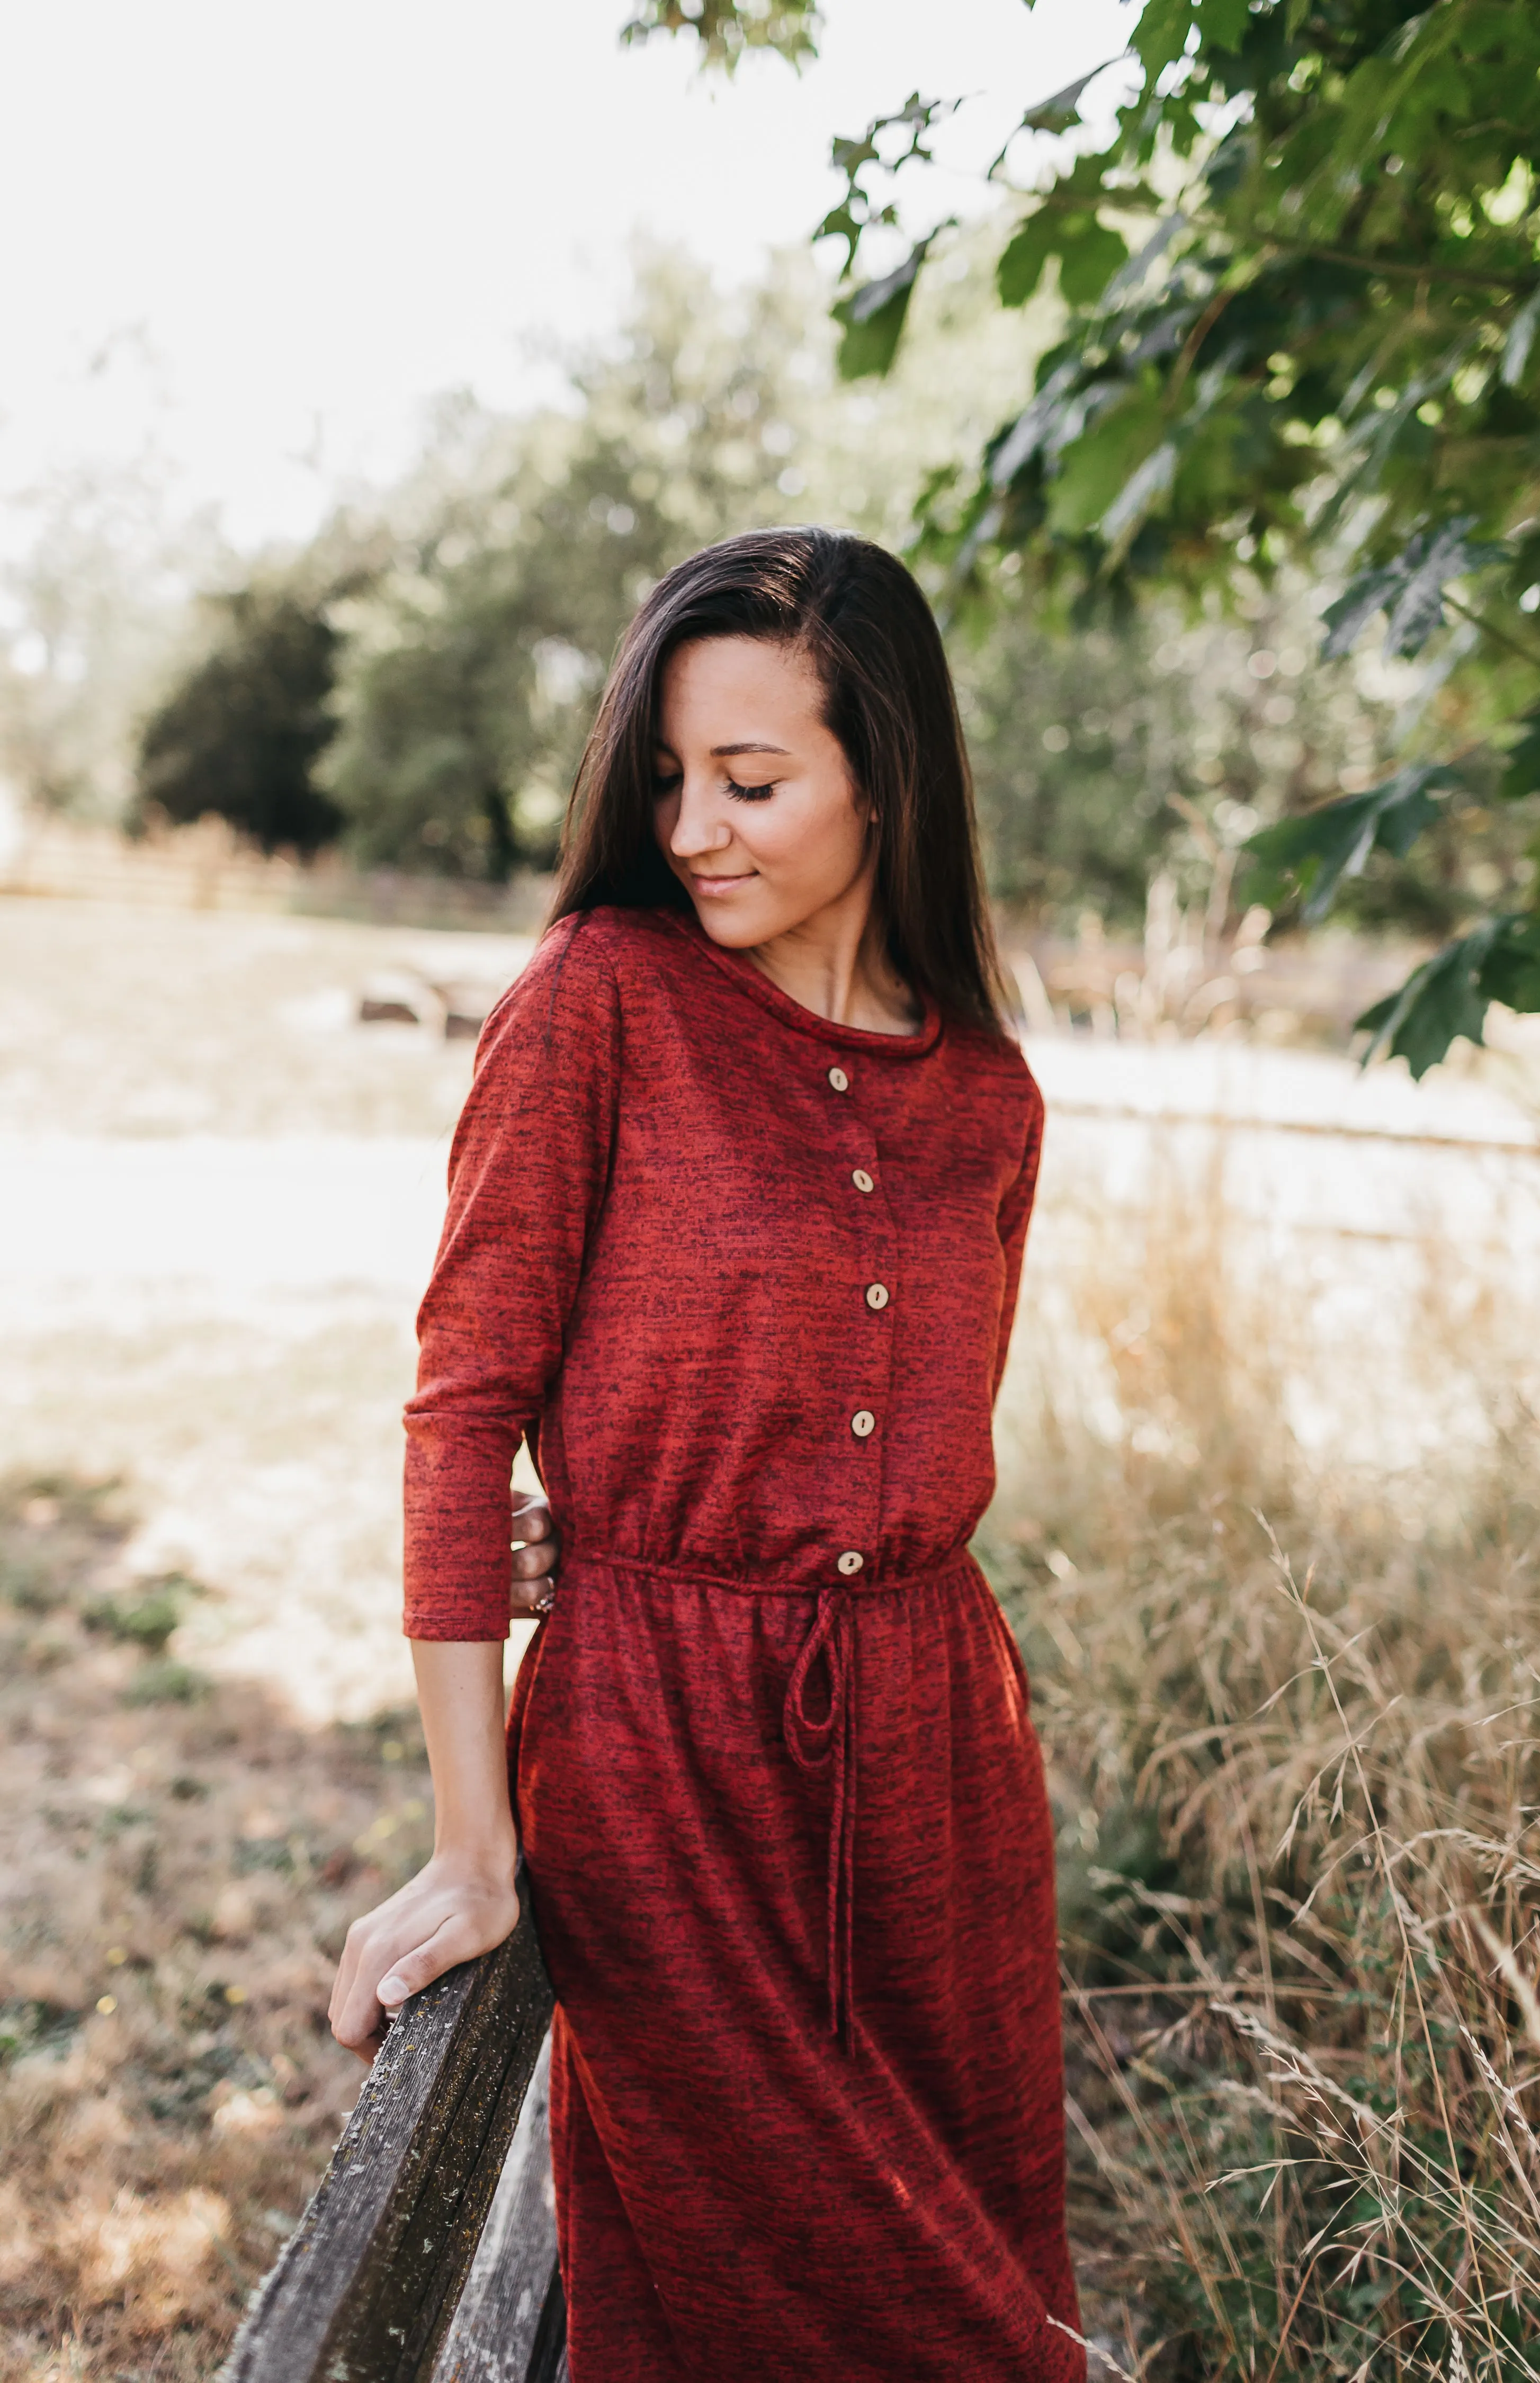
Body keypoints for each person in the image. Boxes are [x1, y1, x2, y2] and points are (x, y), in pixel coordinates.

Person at [329, 526, 1085, 2381]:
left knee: (978, 2250)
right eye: (669, 777)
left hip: (942, 1766)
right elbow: (458, 1410)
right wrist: (471, 1835)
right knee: (799, 2305)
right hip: (659, 1764)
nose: (692, 826)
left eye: (751, 779)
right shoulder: (602, 1000)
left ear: (887, 776)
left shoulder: (988, 1091)